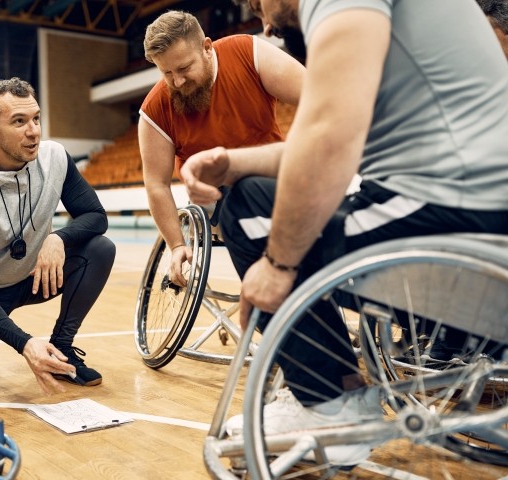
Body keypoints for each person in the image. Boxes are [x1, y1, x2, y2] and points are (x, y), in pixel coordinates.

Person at [180, 0, 508, 465]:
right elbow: (339, 140)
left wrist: (276, 266)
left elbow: (331, 136)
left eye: (258, 4)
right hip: (471, 208)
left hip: (454, 211)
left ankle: (332, 405)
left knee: (249, 206)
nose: (267, 24)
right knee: (254, 190)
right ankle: (336, 395)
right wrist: (232, 161)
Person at [0, 77, 115, 396]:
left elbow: (95, 216)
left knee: (99, 249)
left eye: (36, 118)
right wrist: (25, 344)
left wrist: (59, 239)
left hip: (35, 277)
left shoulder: (54, 157)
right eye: (19, 122)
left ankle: (62, 347)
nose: (33, 131)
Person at [138, 10, 303, 288]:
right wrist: (177, 245)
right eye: (167, 73)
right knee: (244, 195)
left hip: (278, 182)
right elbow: (156, 184)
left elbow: (315, 94)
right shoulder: (155, 111)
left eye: (184, 69)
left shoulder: (247, 52)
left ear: (207, 47)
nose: (177, 82)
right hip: (220, 202)